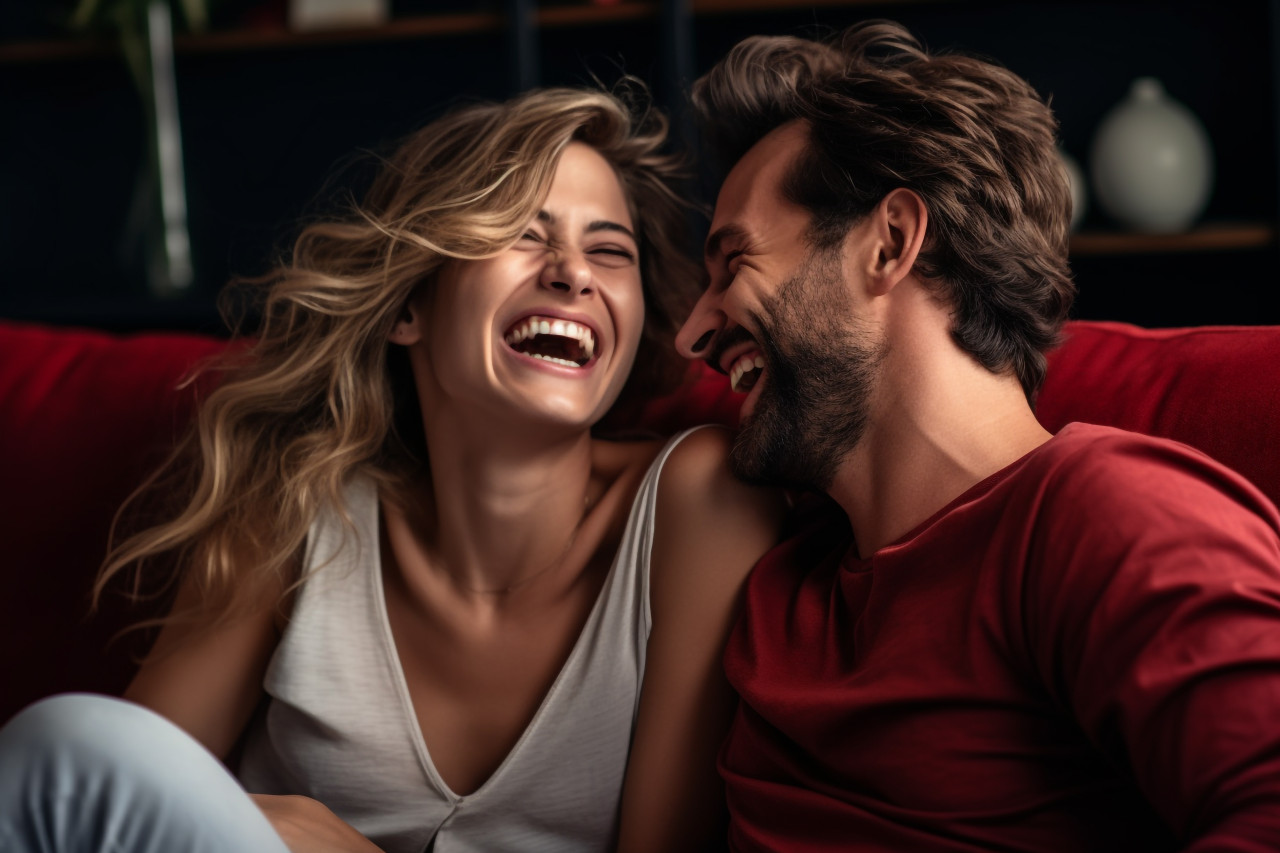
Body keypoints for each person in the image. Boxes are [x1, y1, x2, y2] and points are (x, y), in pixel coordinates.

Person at [0, 85, 784, 853]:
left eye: (609, 251)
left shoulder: (698, 499)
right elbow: (118, 788)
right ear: (409, 306)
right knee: (64, 753)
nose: (572, 273)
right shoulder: (301, 497)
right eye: (519, 232)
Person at [674, 20, 1280, 852]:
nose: (691, 335)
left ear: (888, 243)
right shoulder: (781, 569)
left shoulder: (1101, 515)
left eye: (734, 263)